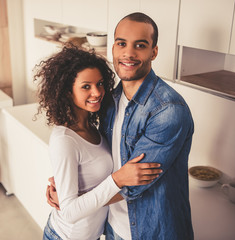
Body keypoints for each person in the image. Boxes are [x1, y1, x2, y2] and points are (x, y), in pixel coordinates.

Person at [47, 12, 195, 240]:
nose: (128, 53)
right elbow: (102, 161)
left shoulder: (167, 109)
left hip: (152, 230)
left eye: (140, 45)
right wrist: (68, 192)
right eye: (122, 43)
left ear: (153, 52)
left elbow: (134, 184)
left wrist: (73, 203)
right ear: (113, 48)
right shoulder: (109, 101)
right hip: (112, 227)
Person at [34, 45, 162, 240]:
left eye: (100, 83)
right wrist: (118, 179)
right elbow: (69, 212)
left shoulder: (95, 127)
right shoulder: (64, 140)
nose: (97, 92)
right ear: (68, 91)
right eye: (86, 86)